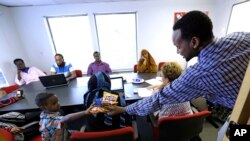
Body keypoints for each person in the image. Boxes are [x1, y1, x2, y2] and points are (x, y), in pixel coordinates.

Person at [105, 11, 250, 140]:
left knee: (225, 135)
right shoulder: (240, 36)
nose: (177, 52)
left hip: (243, 114)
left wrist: (124, 109)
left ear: (194, 41)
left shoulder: (199, 74)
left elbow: (159, 98)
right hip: (240, 107)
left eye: (178, 46)